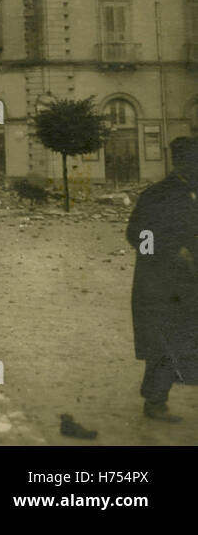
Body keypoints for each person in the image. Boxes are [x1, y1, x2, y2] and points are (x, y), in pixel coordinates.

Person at [126, 136, 198, 422]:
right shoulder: (157, 195)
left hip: (187, 284)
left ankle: (156, 398)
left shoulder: (192, 193)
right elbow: (136, 234)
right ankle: (155, 402)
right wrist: (170, 251)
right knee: (164, 344)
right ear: (182, 161)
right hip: (159, 285)